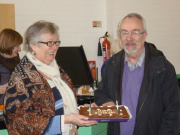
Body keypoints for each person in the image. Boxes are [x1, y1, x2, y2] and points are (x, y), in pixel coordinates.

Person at [4, 21, 97, 135]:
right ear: (33, 45)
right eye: (49, 43)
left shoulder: (58, 71)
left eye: (56, 42)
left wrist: (81, 110)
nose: (54, 48)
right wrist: (66, 120)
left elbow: (62, 105)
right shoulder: (21, 77)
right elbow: (18, 121)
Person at [94, 13, 179, 135]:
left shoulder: (163, 69)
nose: (129, 38)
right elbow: (100, 93)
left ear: (144, 36)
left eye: (134, 32)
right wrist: (107, 102)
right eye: (124, 33)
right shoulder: (111, 66)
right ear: (120, 36)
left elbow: (173, 114)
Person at [0, 28, 22, 105]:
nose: (20, 49)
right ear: (9, 45)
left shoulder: (16, 59)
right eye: (17, 46)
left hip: (14, 105)